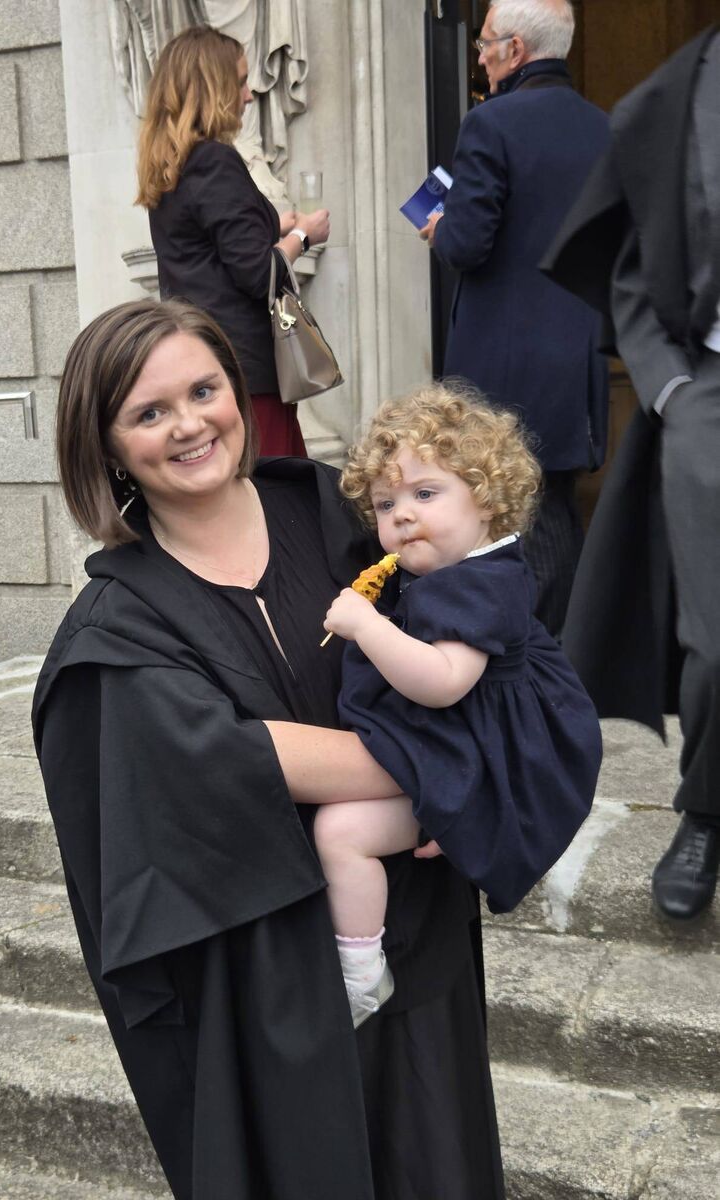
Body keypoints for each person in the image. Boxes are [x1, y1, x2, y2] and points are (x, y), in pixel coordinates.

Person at [32, 298, 506, 1199]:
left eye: (203, 389)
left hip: (420, 935)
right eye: (148, 412)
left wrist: (481, 754)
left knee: (438, 1160)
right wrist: (454, 775)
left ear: (235, 390)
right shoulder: (117, 626)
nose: (188, 424)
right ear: (107, 445)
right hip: (270, 984)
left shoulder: (342, 516)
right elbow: (230, 759)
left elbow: (484, 633)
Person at [317, 384, 602, 1026]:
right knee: (339, 830)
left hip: (497, 760)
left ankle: (360, 977)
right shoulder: (442, 574)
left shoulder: (481, 584)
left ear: (488, 499)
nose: (402, 515)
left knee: (340, 832)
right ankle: (362, 966)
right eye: (386, 504)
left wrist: (368, 627)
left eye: (425, 494)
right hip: (462, 749)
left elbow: (444, 681)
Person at [541, 24, 720, 921]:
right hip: (710, 397)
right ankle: (707, 812)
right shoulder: (672, 100)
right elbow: (634, 271)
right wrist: (674, 386)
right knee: (715, 636)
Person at [418, 0, 610, 639]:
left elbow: (467, 244)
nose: (479, 54)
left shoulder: (489, 123)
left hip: (504, 367)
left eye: (485, 43)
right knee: (554, 509)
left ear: (516, 52)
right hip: (575, 359)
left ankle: (520, 673)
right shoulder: (604, 126)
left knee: (500, 516)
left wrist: (439, 229)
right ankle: (559, 664)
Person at [135, 24, 329, 457]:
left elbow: (204, 248)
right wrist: (303, 235)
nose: (248, 95)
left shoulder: (171, 164)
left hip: (204, 358)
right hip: (245, 371)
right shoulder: (214, 161)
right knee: (275, 499)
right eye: (240, 81)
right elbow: (258, 274)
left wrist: (272, 225)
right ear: (213, 86)